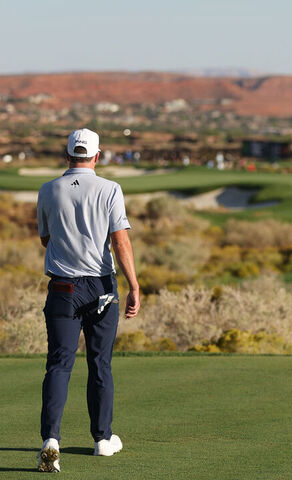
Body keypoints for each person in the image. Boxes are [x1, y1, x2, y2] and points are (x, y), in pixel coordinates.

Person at [36, 128, 140, 473]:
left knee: (59, 364)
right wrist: (134, 285)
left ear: (67, 156)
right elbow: (120, 242)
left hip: (63, 289)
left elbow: (46, 238)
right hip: (101, 288)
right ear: (97, 156)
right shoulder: (110, 189)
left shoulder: (48, 189)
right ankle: (102, 439)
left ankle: (51, 440)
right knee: (100, 363)